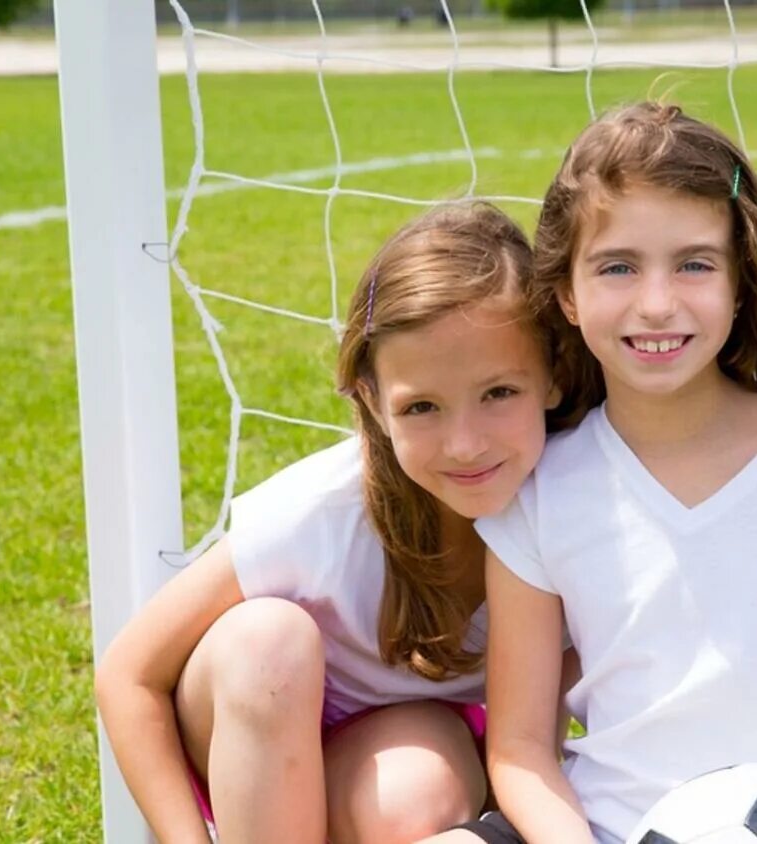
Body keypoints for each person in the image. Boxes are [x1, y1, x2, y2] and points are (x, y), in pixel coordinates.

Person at [443, 103, 757, 844]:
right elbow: (522, 749)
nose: (657, 304)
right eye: (618, 267)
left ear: (741, 281)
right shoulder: (541, 492)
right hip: (595, 828)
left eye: (694, 264)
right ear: (566, 292)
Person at [94, 202, 599, 844]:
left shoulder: (582, 506)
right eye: (422, 407)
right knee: (266, 641)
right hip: (253, 717)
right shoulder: (321, 515)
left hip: (410, 743)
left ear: (553, 375)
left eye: (499, 393)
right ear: (371, 399)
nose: (465, 444)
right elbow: (128, 675)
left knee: (412, 801)